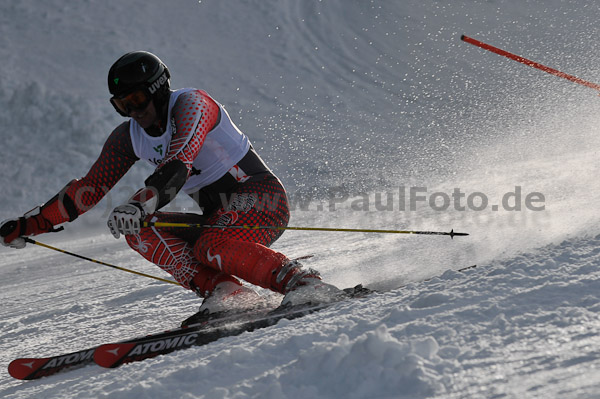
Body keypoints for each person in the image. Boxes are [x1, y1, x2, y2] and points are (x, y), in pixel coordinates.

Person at [0, 51, 344, 326]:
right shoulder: (129, 137)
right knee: (139, 230)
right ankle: (226, 292)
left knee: (211, 242)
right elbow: (88, 190)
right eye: (121, 105)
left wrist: (139, 201)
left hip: (263, 200)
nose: (132, 111)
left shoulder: (193, 104)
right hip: (220, 216)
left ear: (157, 89)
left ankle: (302, 282)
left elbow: (178, 164)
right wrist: (30, 224)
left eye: (135, 99)